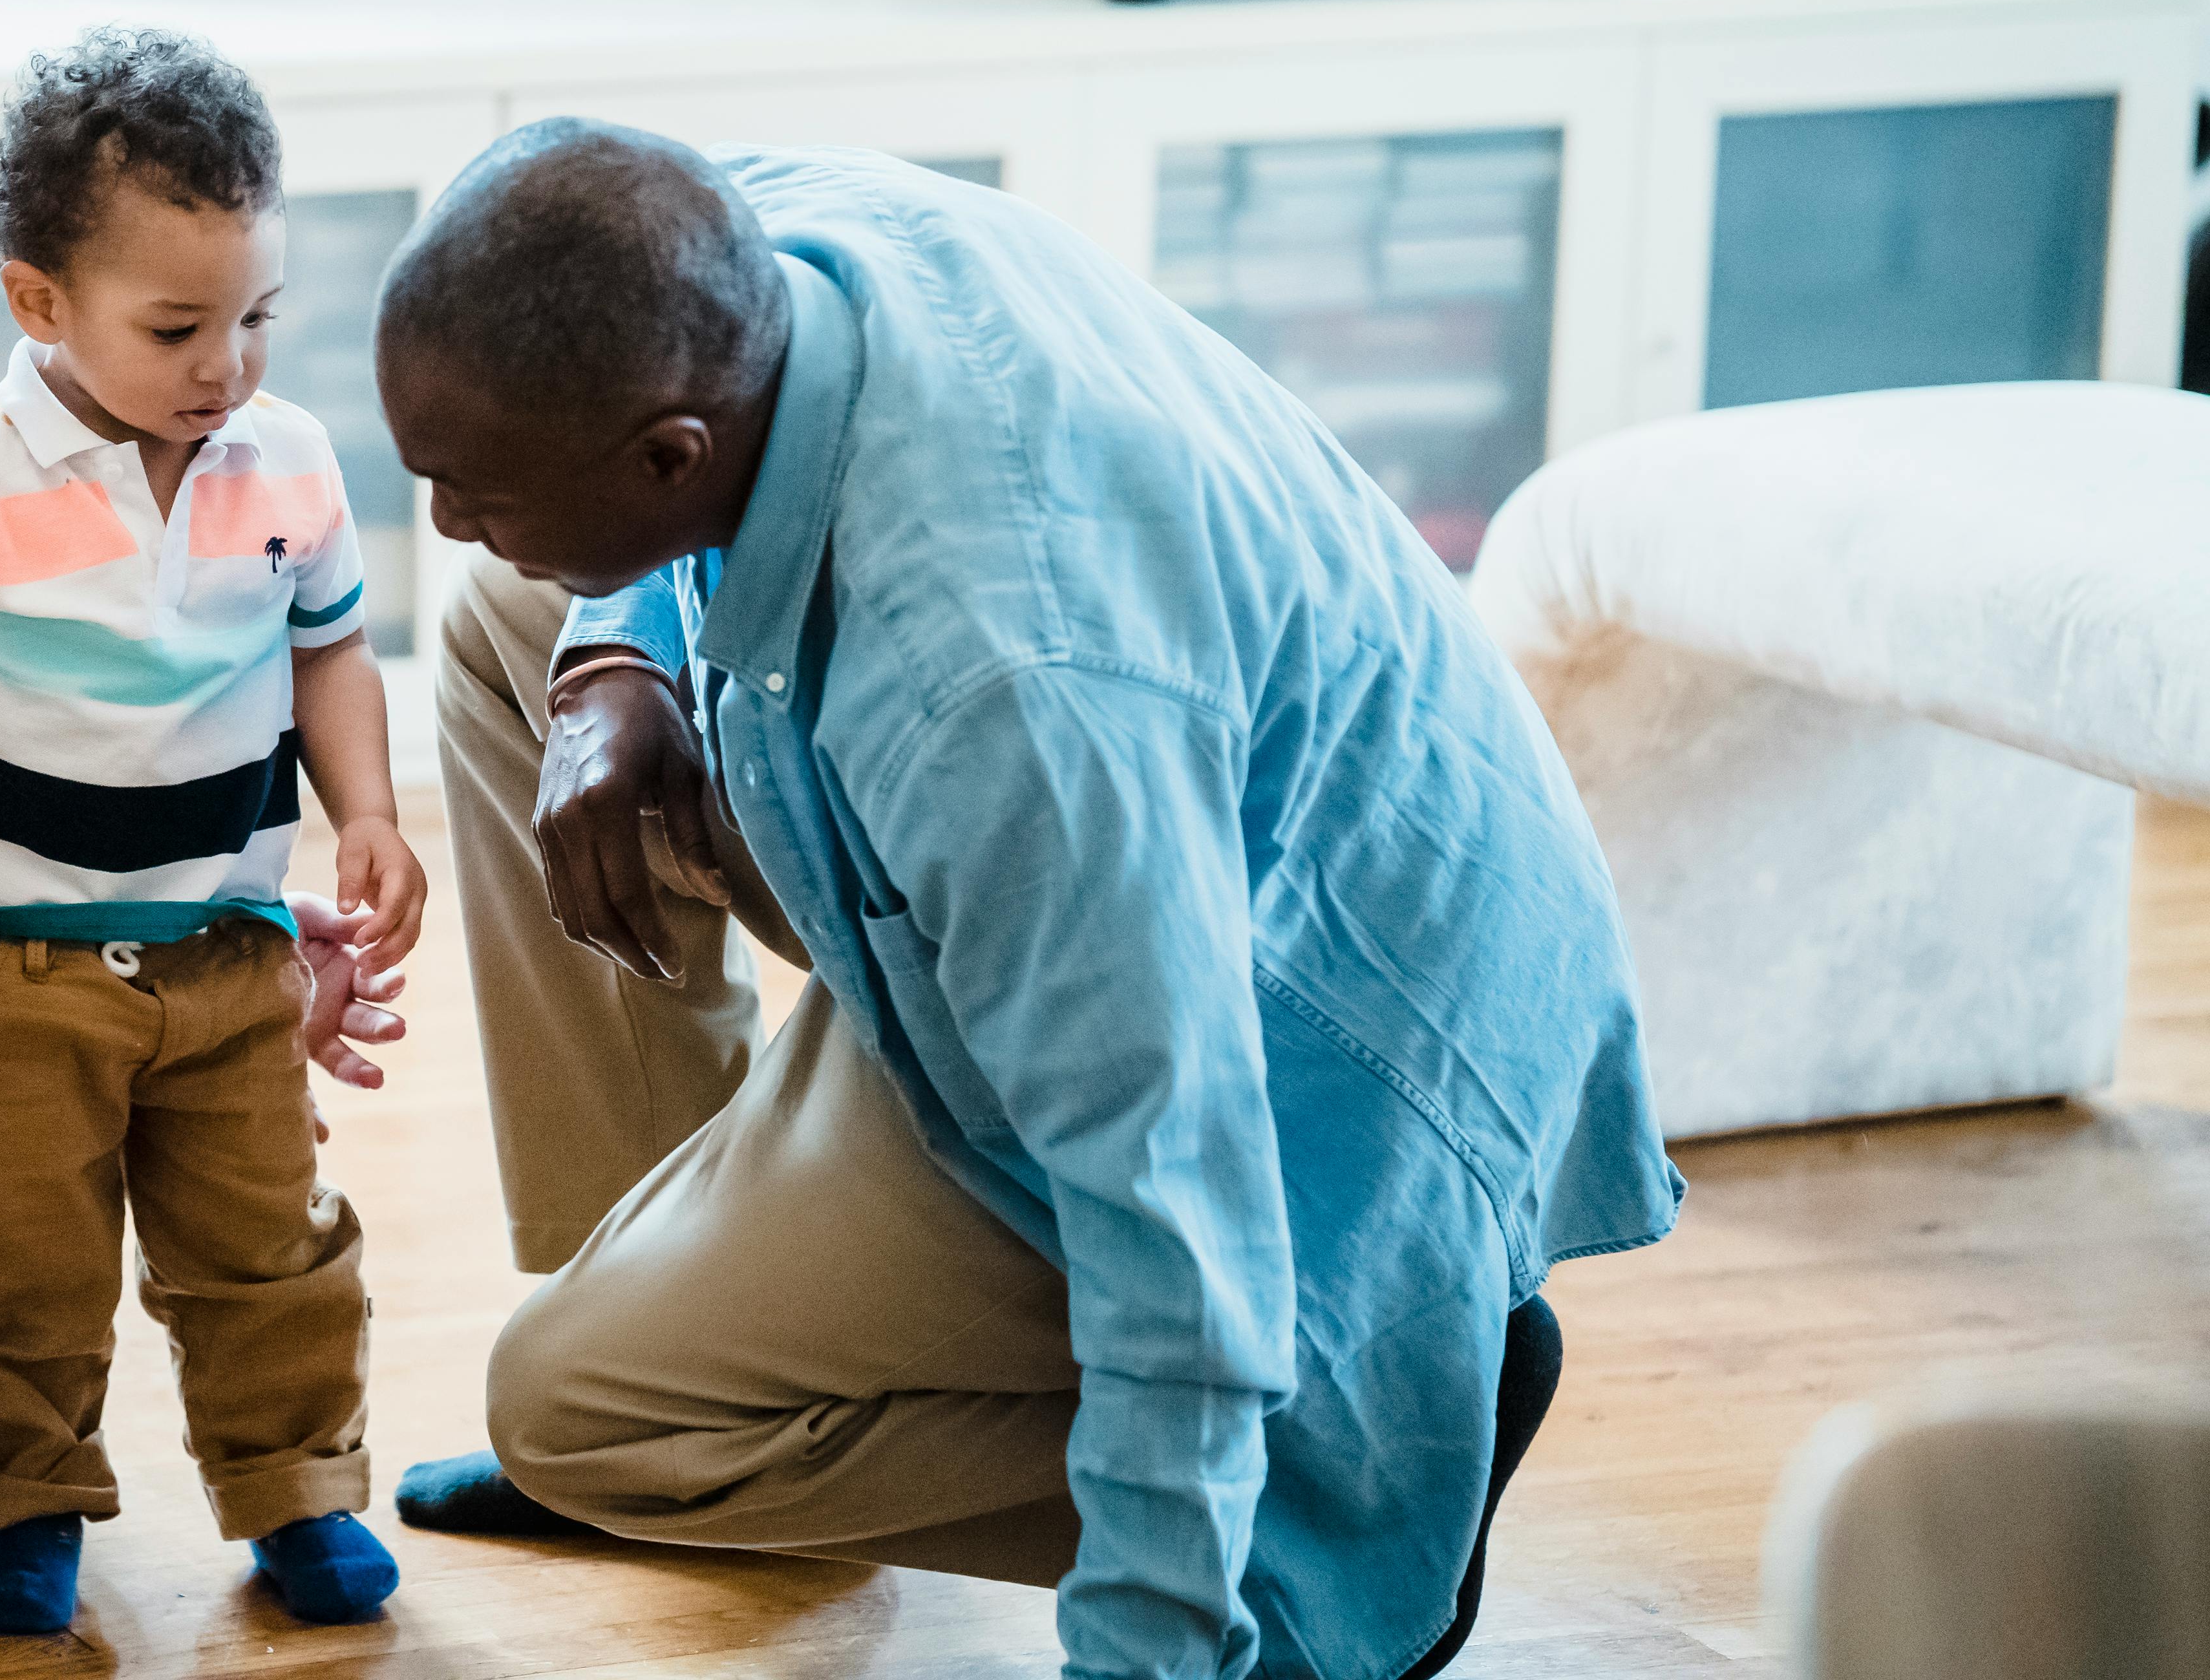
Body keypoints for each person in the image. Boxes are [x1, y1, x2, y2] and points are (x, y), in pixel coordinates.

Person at [369, 123, 1681, 1680]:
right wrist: (607, 646)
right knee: (511, 617)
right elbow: (611, 496)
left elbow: (1173, 1205)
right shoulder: (776, 225)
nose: (441, 513)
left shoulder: (1002, 693)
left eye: (472, 481)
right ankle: (679, 1293)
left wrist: (1158, 1648)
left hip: (1327, 1052)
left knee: (577, 1412)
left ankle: (1362, 1458)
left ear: (671, 451)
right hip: (1160, 854)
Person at [0, 28, 426, 1635]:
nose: (224, 360)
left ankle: (298, 1485)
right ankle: (25, 1501)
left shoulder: (287, 458)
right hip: (15, 968)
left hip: (228, 953)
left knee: (271, 1243)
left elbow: (330, 654)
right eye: (177, 325)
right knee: (10, 1260)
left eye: (255, 316)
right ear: (41, 302)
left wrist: (365, 807)